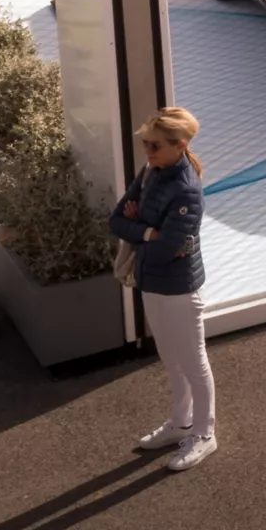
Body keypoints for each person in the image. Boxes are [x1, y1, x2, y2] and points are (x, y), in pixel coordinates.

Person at [110, 108, 215, 468]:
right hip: (151, 282)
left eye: (154, 145)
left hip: (180, 289)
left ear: (179, 145)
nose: (147, 151)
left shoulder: (187, 191)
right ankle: (182, 422)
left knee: (193, 362)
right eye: (145, 143)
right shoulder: (150, 172)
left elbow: (167, 249)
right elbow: (116, 220)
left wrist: (141, 228)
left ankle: (204, 434)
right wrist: (148, 232)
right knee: (170, 357)